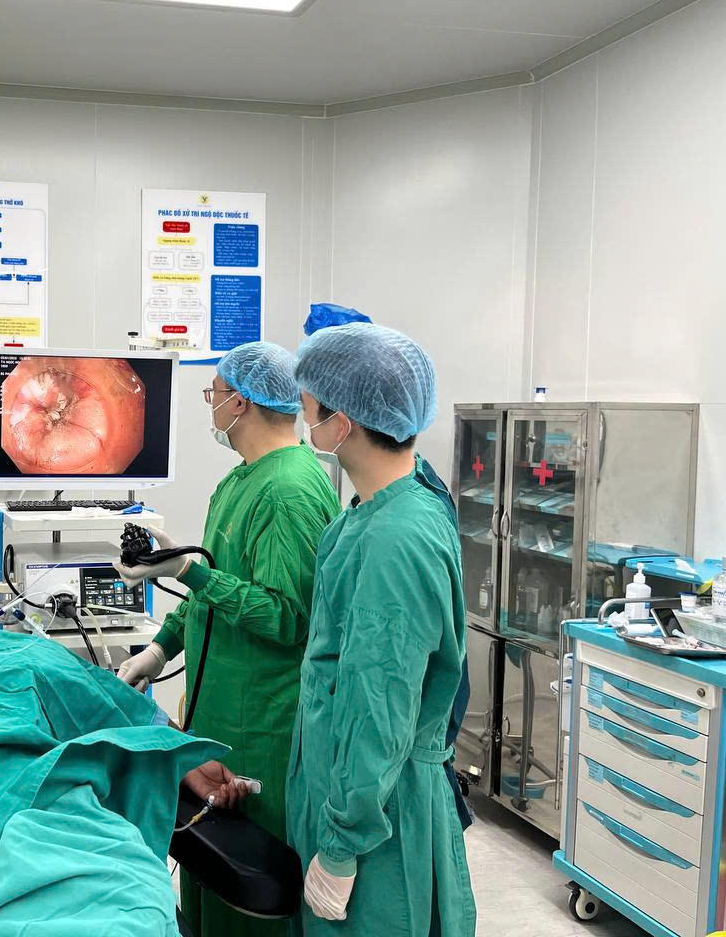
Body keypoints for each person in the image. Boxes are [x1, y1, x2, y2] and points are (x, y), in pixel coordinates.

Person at [115, 340, 342, 937]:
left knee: (249, 887)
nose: (210, 404)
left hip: (263, 724)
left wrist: (193, 574)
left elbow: (289, 617)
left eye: (212, 393)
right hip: (220, 713)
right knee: (208, 876)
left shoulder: (290, 489)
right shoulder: (242, 480)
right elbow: (216, 592)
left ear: (239, 402)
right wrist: (159, 650)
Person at [284, 322, 476, 936]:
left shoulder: (397, 541)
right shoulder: (373, 509)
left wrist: (343, 844)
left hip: (380, 823)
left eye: (308, 406)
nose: (302, 418)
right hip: (345, 790)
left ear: (341, 423)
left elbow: (380, 705)